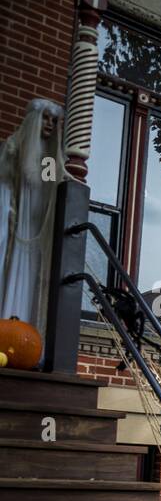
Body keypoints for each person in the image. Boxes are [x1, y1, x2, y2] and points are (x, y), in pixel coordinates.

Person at [0, 99, 66, 346]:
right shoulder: (14, 148)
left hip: (38, 229)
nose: (49, 124)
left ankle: (24, 339)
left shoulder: (48, 159)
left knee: (34, 280)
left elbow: (48, 189)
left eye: (54, 120)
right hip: (16, 225)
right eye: (45, 118)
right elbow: (6, 187)